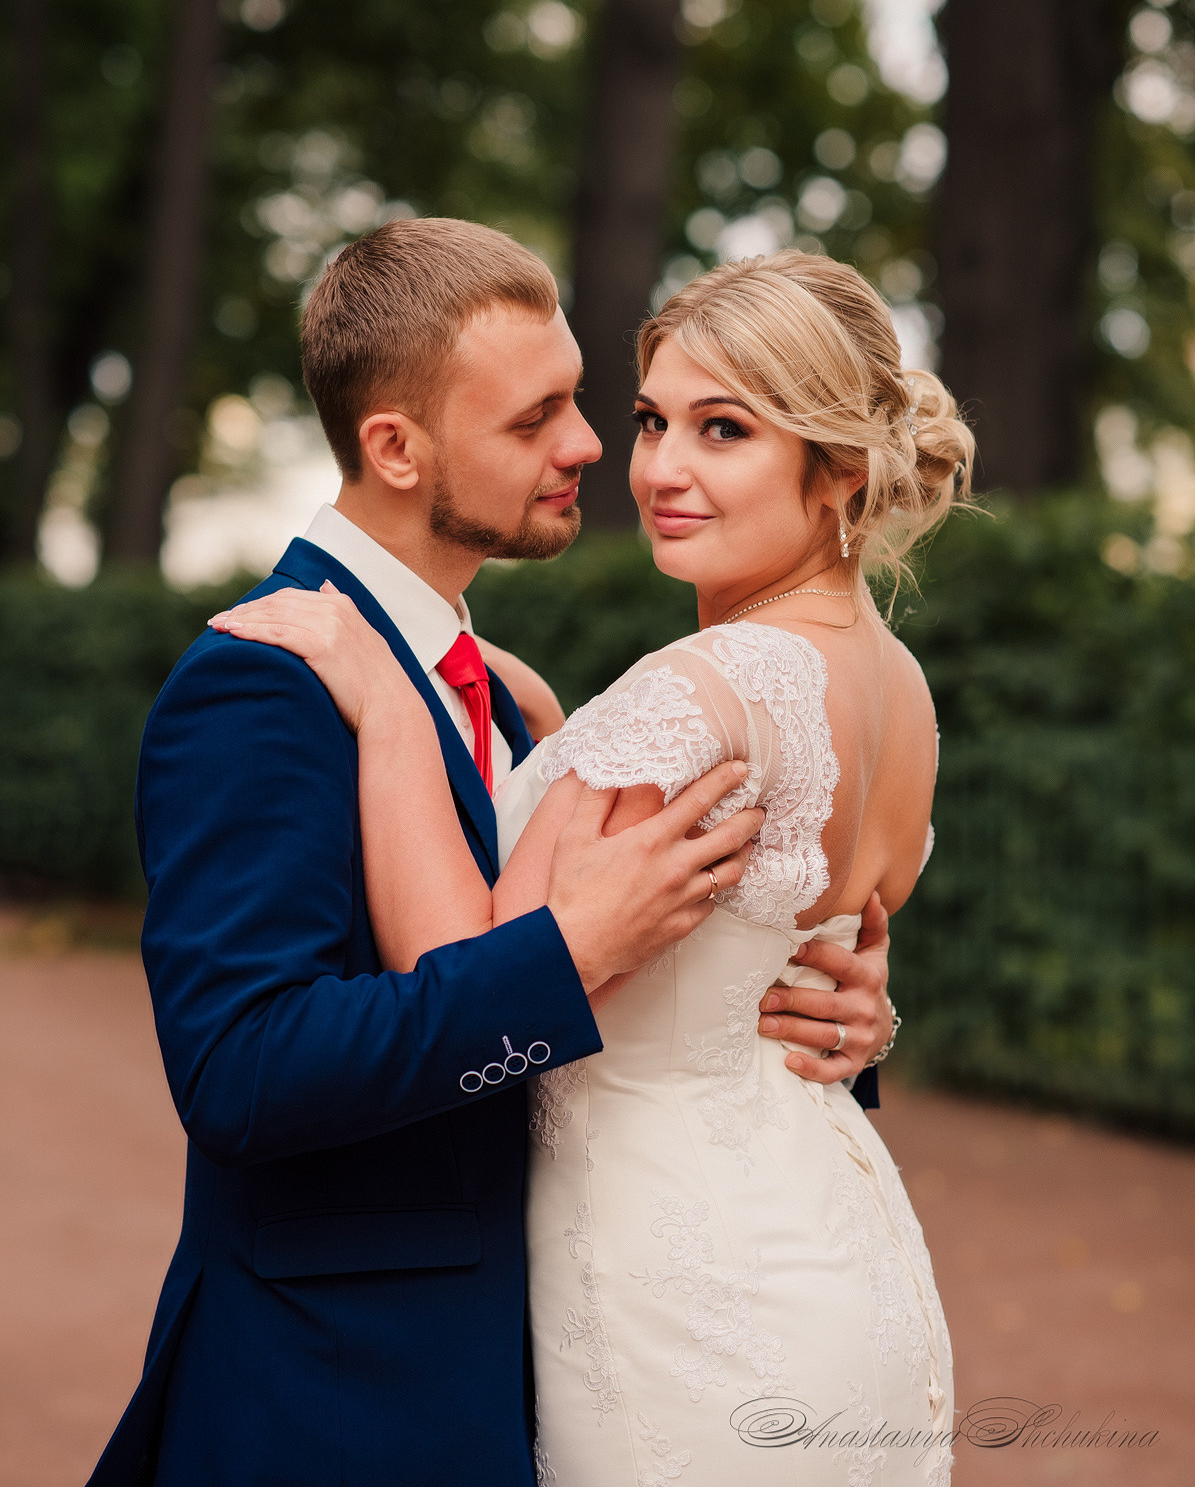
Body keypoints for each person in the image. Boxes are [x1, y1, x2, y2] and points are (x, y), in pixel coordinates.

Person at [89, 220, 894, 1487]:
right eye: (534, 420)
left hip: (551, 1365)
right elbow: (242, 1072)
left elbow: (636, 1013)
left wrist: (807, 1012)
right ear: (395, 449)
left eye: (576, 399)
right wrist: (562, 959)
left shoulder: (493, 692)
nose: (590, 445)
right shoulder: (265, 683)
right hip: (345, 1401)